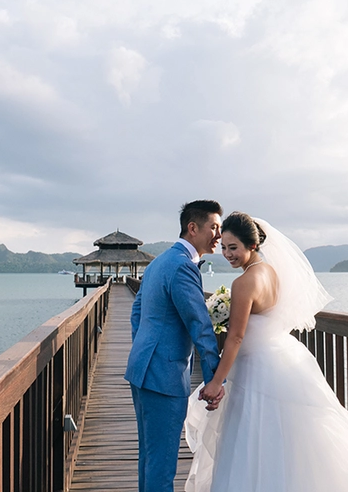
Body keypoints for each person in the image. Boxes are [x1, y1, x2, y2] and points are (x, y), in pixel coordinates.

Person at [184, 212, 348, 492]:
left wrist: (217, 381)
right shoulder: (271, 273)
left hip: (256, 368)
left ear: (252, 245)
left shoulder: (243, 283)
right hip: (282, 360)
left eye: (234, 248)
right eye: (224, 247)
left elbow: (235, 337)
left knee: (253, 441)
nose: (227, 254)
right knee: (288, 443)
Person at [125, 200, 226, 492]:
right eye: (214, 227)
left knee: (149, 456)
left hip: (142, 370)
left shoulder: (159, 261)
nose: (218, 235)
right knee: (162, 462)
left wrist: (144, 352)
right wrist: (214, 379)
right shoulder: (182, 267)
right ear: (193, 228)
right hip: (164, 376)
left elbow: (137, 313)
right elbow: (200, 325)